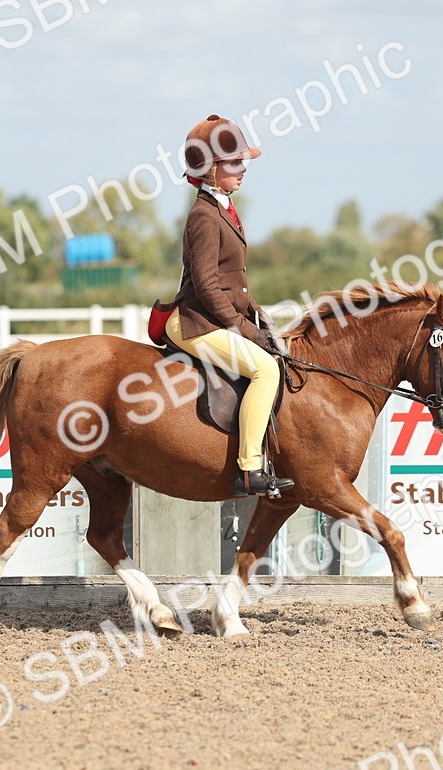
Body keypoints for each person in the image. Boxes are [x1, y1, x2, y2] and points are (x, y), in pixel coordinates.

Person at [165, 114, 294, 497]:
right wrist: (245, 329)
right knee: (265, 370)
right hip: (195, 322)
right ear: (209, 170)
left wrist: (260, 315)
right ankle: (250, 469)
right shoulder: (204, 215)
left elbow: (231, 278)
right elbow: (206, 285)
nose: (243, 170)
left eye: (244, 162)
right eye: (234, 163)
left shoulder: (223, 208)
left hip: (214, 315)